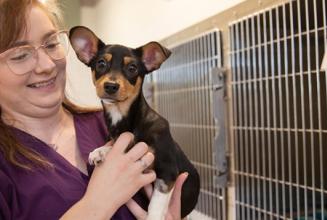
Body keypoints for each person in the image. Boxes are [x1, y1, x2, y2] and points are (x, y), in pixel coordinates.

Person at [0, 0, 188, 219]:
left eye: (51, 43)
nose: (47, 65)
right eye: (20, 55)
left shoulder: (112, 124)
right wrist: (96, 205)